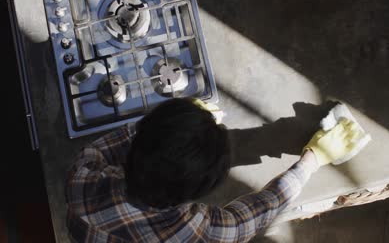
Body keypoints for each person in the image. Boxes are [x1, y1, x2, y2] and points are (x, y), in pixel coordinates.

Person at [66, 98, 362, 242]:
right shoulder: (199, 232)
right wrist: (314, 158)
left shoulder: (81, 179)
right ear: (203, 193)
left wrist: (180, 125)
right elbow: (264, 208)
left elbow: (119, 141)